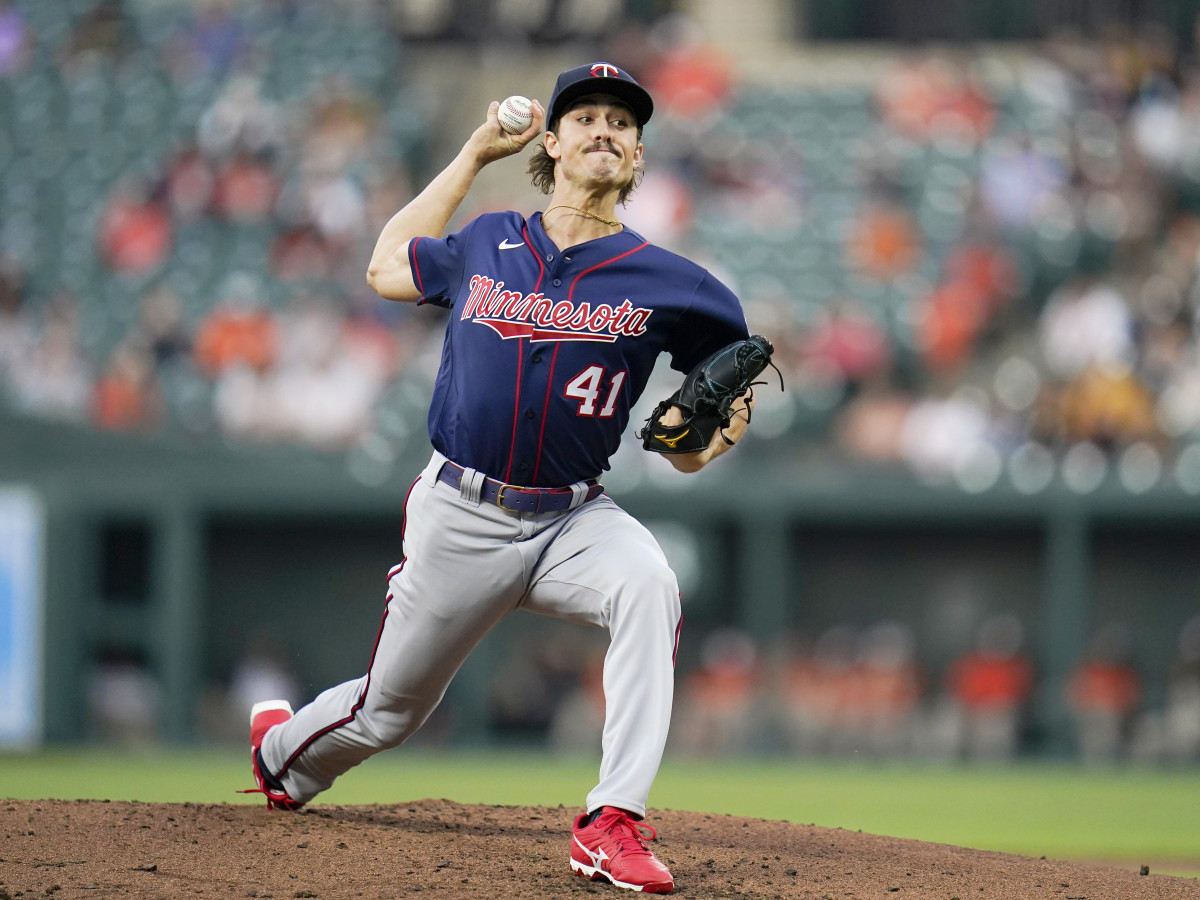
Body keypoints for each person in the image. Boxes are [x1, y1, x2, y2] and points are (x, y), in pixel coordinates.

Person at [243, 62, 759, 895]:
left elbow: (731, 394)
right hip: (460, 512)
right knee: (389, 713)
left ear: (635, 157)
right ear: (551, 142)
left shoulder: (676, 283)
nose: (604, 130)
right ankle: (281, 754)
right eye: (585, 116)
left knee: (649, 585)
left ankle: (611, 820)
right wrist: (476, 151)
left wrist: (703, 443)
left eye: (621, 124)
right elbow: (383, 268)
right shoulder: (488, 239)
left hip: (573, 519)